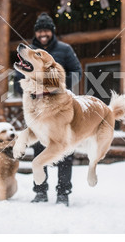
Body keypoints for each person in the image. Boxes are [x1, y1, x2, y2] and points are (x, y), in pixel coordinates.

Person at [14, 12, 82, 206]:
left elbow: (77, 72)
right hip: (36, 105)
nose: (43, 34)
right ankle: (40, 191)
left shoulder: (64, 49)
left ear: (52, 32)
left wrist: (58, 83)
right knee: (37, 148)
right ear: (36, 32)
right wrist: (24, 91)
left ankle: (63, 193)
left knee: (63, 149)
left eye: (46, 30)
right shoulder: (30, 51)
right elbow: (17, 74)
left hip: (58, 105)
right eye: (39, 30)